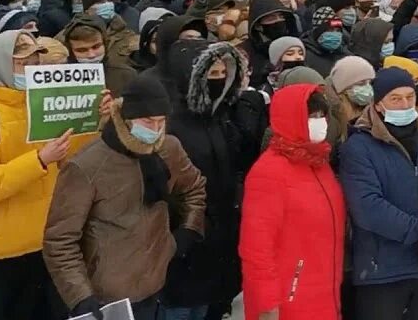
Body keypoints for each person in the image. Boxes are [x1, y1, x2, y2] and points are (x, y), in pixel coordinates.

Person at [0, 30, 90, 319]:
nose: (31, 70)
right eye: (22, 64)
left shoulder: (38, 104)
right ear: (0, 64)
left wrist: (93, 118)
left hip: (42, 243)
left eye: (35, 63)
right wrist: (39, 159)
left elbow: (71, 156)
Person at [43, 76, 206, 320]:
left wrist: (188, 231)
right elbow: (60, 240)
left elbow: (194, 187)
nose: (155, 130)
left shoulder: (168, 149)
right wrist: (79, 296)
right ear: (126, 118)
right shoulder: (87, 165)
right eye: (147, 121)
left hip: (157, 283)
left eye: (161, 122)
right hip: (107, 296)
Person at [342, 67, 418, 319]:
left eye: (409, 96)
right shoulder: (360, 146)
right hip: (382, 270)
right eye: (395, 99)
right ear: (378, 105)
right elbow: (367, 205)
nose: (405, 104)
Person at [161, 40, 266, 320]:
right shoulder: (170, 123)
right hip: (183, 243)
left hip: (219, 243)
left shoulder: (223, 117)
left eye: (223, 74)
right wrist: (183, 232)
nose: (218, 80)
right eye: (211, 74)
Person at [240, 84, 346, 320]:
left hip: (324, 293)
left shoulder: (319, 162)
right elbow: (257, 248)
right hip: (288, 301)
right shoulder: (269, 172)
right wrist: (267, 305)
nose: (319, 122)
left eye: (321, 116)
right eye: (311, 116)